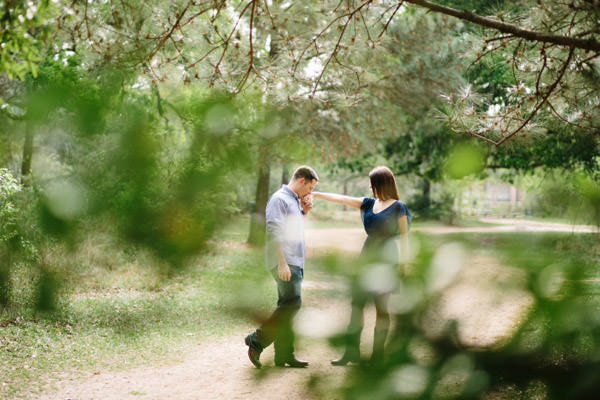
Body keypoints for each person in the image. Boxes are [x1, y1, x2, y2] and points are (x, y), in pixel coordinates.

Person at [312, 166, 411, 366]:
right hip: (366, 259)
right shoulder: (368, 203)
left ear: (380, 183)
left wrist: (403, 267)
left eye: (372, 182)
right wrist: (315, 193)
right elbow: (340, 198)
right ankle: (351, 353)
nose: (369, 186)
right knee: (356, 306)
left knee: (381, 310)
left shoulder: (399, 207)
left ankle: (377, 356)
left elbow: (405, 240)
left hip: (387, 261)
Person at [244, 165, 319, 369]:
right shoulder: (279, 199)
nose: (310, 193)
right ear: (302, 180)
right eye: (310, 188)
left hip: (295, 261)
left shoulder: (295, 200)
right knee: (291, 304)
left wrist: (306, 211)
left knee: (288, 306)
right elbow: (273, 231)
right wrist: (282, 263)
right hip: (285, 261)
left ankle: (284, 355)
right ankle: (256, 340)